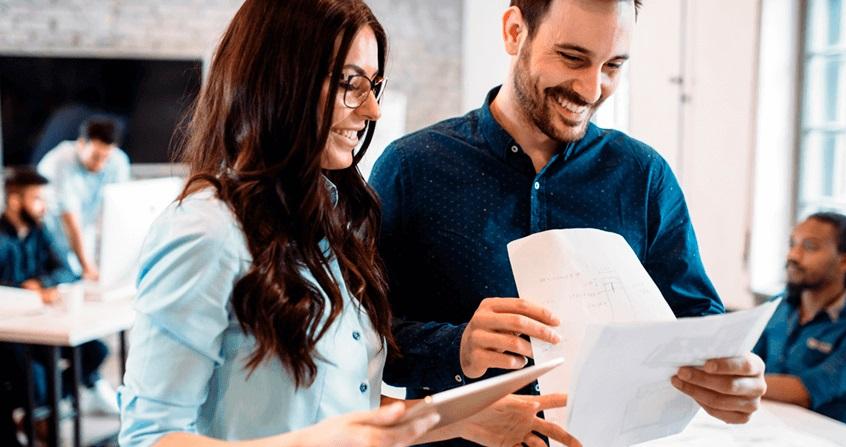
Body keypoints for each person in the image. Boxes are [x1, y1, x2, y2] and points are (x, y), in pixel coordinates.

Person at [118, 1, 579, 447]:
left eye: (373, 85)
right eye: (350, 84)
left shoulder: (335, 223)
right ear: (281, 80)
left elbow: (345, 413)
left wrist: (462, 420)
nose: (372, 110)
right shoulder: (207, 233)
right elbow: (149, 435)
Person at [369, 1, 766, 444]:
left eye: (613, 65)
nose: (592, 88)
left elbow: (697, 326)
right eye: (573, 58)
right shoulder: (411, 168)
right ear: (515, 31)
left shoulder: (643, 176)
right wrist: (455, 348)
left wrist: (731, 375)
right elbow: (360, 342)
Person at [0, 168, 118, 416]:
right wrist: (24, 291)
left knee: (95, 352)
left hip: (45, 324)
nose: (43, 206)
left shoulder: (40, 231)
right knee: (39, 382)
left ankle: (47, 409)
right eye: (36, 199)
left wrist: (41, 283)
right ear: (14, 200)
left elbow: (68, 270)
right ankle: (38, 413)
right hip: (12, 332)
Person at [753, 212, 846, 424]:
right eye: (792, 244)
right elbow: (748, 360)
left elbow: (806, 391)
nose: (793, 256)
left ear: (845, 261)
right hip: (762, 425)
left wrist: (733, 382)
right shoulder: (778, 304)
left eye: (810, 247)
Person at [36, 116, 131, 280]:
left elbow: (118, 209)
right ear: (81, 144)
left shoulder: (118, 160)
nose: (100, 164)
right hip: (52, 237)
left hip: (86, 233)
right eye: (95, 156)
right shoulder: (60, 161)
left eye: (105, 158)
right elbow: (69, 217)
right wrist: (87, 266)